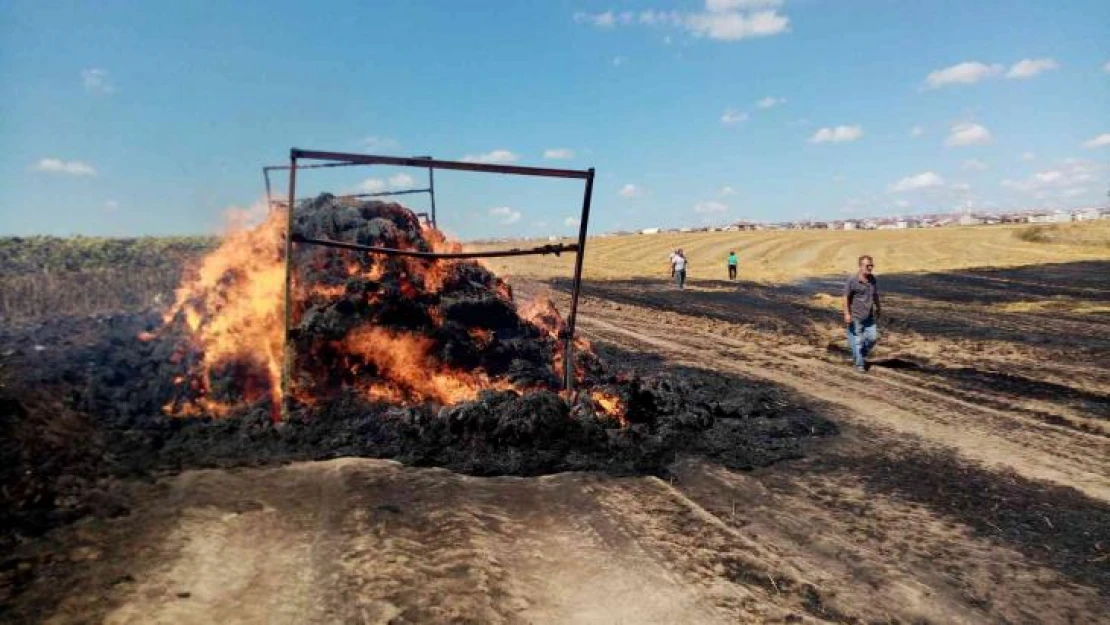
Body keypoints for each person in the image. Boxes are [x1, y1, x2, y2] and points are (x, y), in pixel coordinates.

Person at [843, 255, 880, 372]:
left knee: (873, 338)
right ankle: (860, 364)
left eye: (871, 265)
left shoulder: (873, 279)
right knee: (858, 341)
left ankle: (860, 354)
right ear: (860, 266)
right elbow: (845, 298)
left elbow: (875, 295)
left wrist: (879, 307)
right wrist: (847, 314)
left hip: (869, 315)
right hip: (856, 316)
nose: (870, 268)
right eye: (867, 266)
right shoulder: (852, 280)